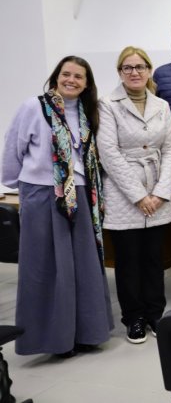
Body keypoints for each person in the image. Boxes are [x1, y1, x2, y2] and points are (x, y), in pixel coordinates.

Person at [1, 56, 114, 357]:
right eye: (66, 74)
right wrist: (23, 187)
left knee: (84, 267)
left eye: (79, 76)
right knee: (48, 269)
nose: (72, 80)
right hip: (43, 193)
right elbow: (14, 148)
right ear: (55, 77)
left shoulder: (91, 112)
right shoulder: (33, 107)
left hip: (81, 193)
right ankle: (53, 340)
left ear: (87, 83)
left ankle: (87, 333)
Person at [97, 47, 171, 344]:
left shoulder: (160, 104)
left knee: (154, 259)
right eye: (128, 68)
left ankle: (156, 313)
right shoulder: (107, 104)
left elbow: (170, 149)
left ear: (148, 70)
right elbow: (109, 153)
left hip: (157, 191)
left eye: (140, 67)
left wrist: (160, 192)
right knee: (129, 260)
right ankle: (134, 318)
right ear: (120, 72)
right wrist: (138, 195)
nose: (134, 72)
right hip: (123, 193)